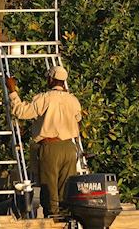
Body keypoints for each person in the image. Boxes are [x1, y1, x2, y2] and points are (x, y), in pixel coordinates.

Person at [5, 66, 82, 216]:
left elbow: (21, 112)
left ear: (51, 79)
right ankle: (66, 220)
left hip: (50, 146)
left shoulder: (44, 98)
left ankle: (52, 221)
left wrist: (12, 91)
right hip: (69, 146)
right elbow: (78, 119)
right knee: (66, 188)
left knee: (49, 189)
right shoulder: (73, 100)